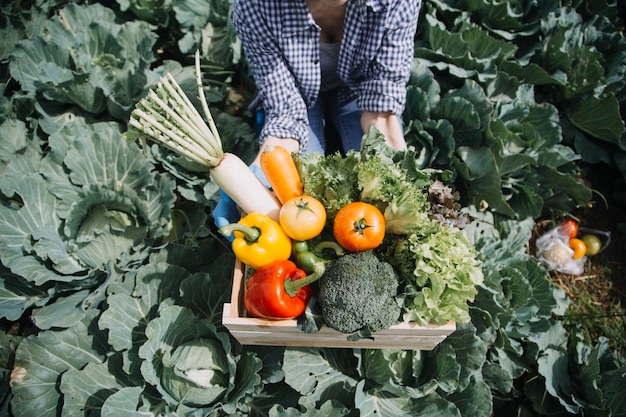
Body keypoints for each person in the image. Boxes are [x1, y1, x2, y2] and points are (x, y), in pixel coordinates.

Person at [214, 0, 421, 229]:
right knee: (301, 198)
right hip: (296, 95)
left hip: (359, 92)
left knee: (383, 183)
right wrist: (256, 182)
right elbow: (285, 109)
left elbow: (380, 107)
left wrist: (409, 191)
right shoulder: (255, 5)